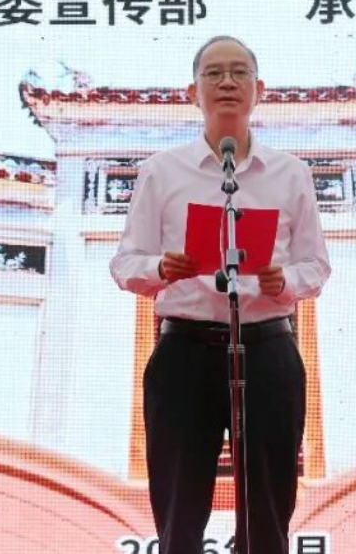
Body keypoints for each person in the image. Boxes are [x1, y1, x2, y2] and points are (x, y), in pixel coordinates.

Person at [110, 35, 332, 554]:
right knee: (179, 510)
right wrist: (161, 268)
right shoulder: (161, 171)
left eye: (238, 72)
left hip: (268, 349)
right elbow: (125, 264)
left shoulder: (290, 173)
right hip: (184, 353)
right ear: (193, 92)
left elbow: (316, 266)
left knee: (269, 511)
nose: (227, 82)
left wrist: (285, 281)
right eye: (213, 73)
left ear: (260, 90)